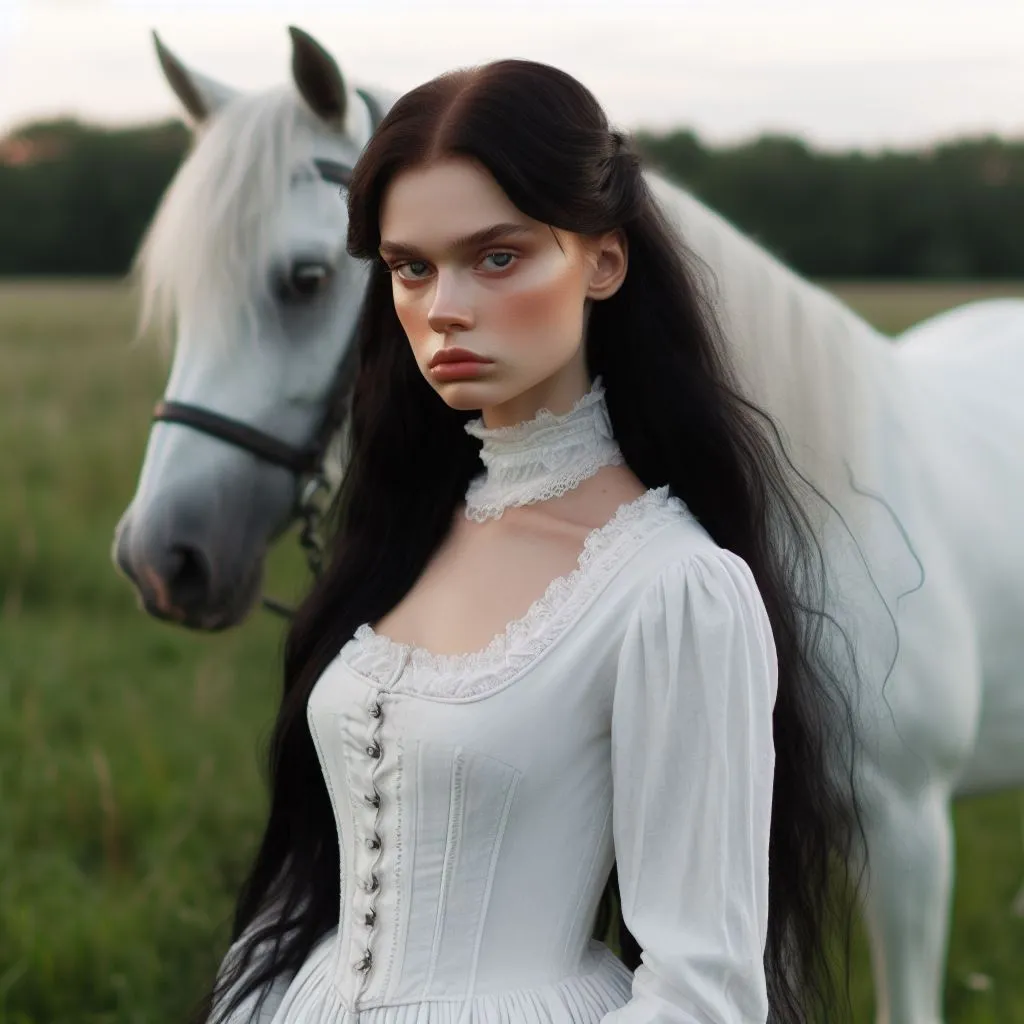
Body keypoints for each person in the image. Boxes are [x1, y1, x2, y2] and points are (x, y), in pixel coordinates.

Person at [197, 59, 860, 1024]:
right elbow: (311, 892)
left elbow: (704, 994)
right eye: (411, 267)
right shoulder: (404, 530)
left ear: (602, 260)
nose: (445, 308)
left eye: (497, 256)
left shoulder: (672, 590)